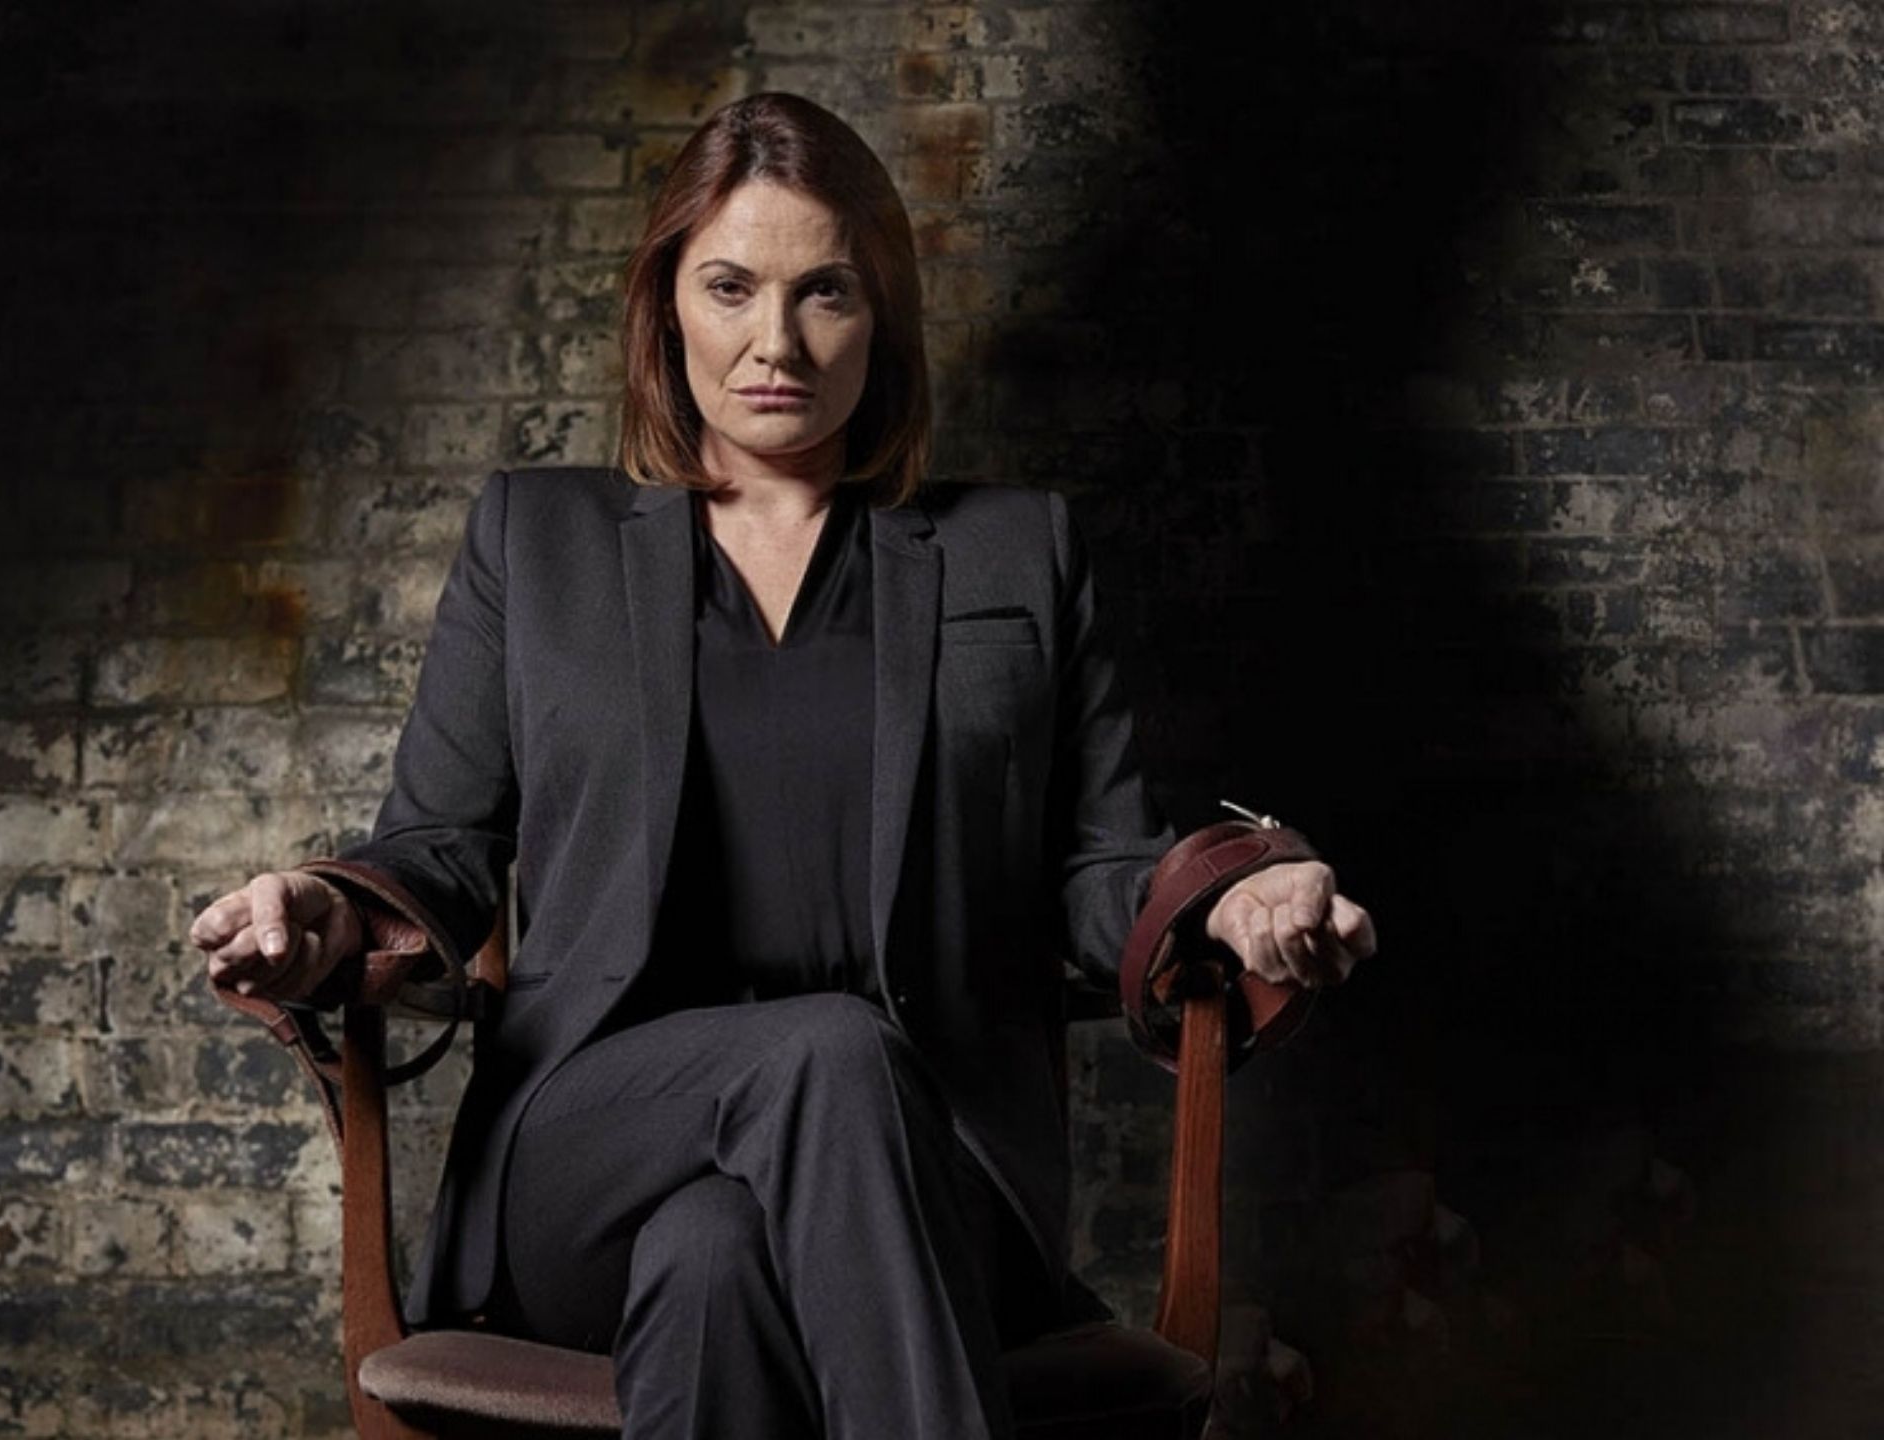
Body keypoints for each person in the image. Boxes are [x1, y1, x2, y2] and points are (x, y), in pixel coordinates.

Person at [188, 92, 1375, 1440]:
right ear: (666, 306)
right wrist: (324, 908)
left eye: (826, 293)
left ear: (883, 319)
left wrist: (1233, 897)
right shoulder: (539, 542)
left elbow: (1098, 864)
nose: (775, 342)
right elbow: (440, 849)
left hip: (927, 1176)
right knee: (823, 1055)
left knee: (713, 1265)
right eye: (730, 287)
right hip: (591, 1154)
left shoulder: (1014, 553)